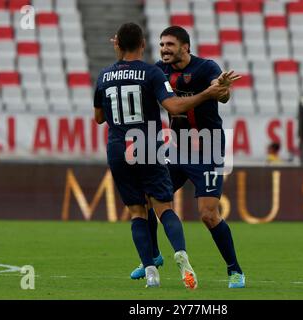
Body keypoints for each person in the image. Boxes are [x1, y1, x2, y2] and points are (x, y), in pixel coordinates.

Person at [94, 23, 237, 289]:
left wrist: (222, 88)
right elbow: (133, 73)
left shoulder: (206, 67)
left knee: (207, 214)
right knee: (151, 200)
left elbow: (223, 95)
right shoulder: (157, 71)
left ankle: (234, 270)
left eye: (169, 45)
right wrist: (122, 47)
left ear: (185, 47)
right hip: (176, 147)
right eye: (161, 45)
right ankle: (153, 256)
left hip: (210, 147)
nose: (164, 50)